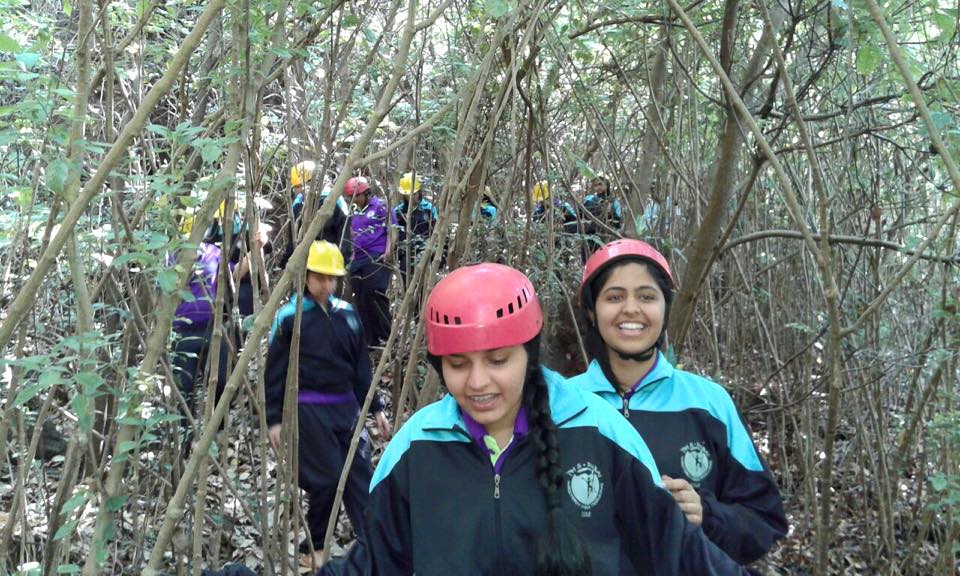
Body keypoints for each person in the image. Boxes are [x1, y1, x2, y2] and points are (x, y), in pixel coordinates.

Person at [320, 263, 750, 575]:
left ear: (530, 354)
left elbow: (682, 554)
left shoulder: (600, 433)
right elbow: (372, 563)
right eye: (458, 364)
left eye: (498, 360)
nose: (478, 382)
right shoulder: (418, 446)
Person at [570, 239, 788, 566]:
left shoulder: (709, 404)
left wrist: (706, 514)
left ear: (665, 308)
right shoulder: (561, 406)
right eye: (614, 297)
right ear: (591, 311)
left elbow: (764, 521)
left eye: (647, 296)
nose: (631, 309)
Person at [264, 241, 392, 566]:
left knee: (360, 476)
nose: (326, 284)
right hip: (309, 410)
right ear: (306, 276)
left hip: (346, 409)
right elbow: (275, 372)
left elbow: (360, 368)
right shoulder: (290, 317)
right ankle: (315, 548)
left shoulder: (348, 314)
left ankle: (373, 549)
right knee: (327, 478)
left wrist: (375, 408)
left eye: (332, 278)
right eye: (319, 277)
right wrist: (274, 418)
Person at [344, 176, 392, 346]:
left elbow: (392, 230)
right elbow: (350, 235)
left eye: (356, 196)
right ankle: (370, 340)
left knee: (375, 294)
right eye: (351, 197)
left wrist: (388, 251)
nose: (354, 200)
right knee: (361, 299)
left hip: (376, 256)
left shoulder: (381, 206)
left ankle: (386, 335)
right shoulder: (353, 212)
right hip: (358, 259)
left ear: (366, 193)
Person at [281, 161, 353, 270]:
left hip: (328, 260)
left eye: (298, 186)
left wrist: (343, 260)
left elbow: (344, 232)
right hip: (306, 262)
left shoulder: (334, 201)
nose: (297, 190)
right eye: (296, 187)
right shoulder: (298, 204)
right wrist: (287, 260)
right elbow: (293, 236)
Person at [391, 171, 437, 286]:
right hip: (405, 255)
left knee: (424, 285)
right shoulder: (398, 211)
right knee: (407, 285)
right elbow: (394, 234)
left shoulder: (429, 209)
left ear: (419, 192)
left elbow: (436, 232)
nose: (411, 197)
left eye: (414, 193)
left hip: (425, 254)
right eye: (407, 194)